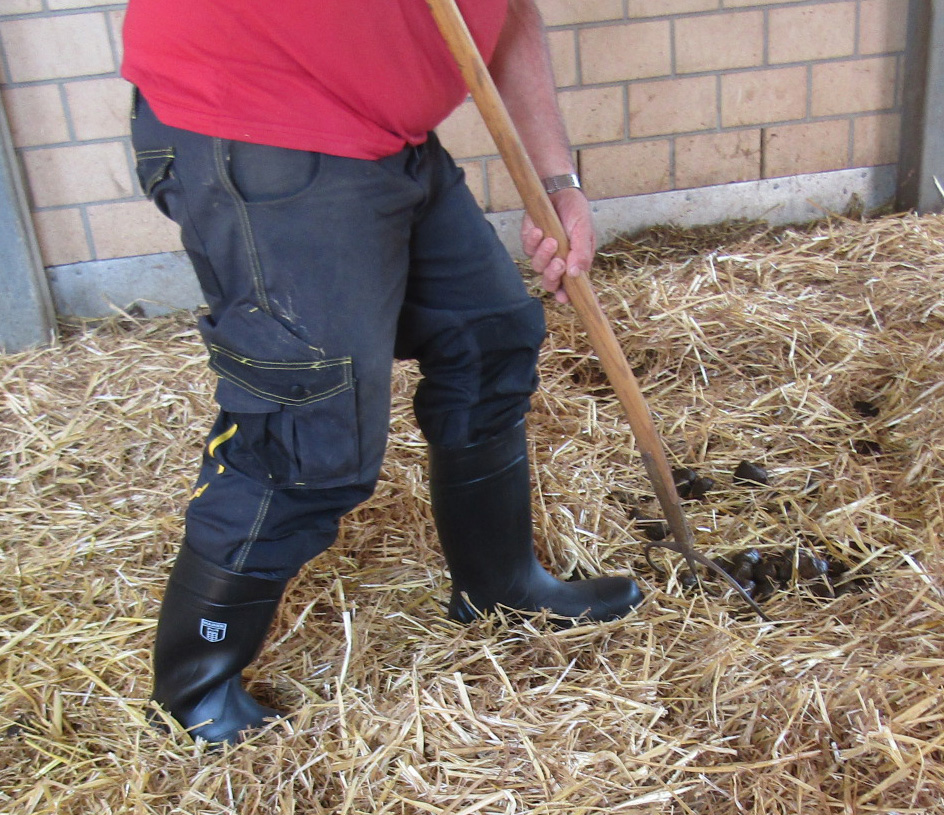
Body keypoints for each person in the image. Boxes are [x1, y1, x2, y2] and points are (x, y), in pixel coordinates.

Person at [122, 0, 643, 744]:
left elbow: (509, 11)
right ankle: (193, 690)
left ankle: (498, 590)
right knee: (310, 420)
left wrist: (557, 181)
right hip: (258, 112)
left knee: (489, 336)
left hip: (382, 135)